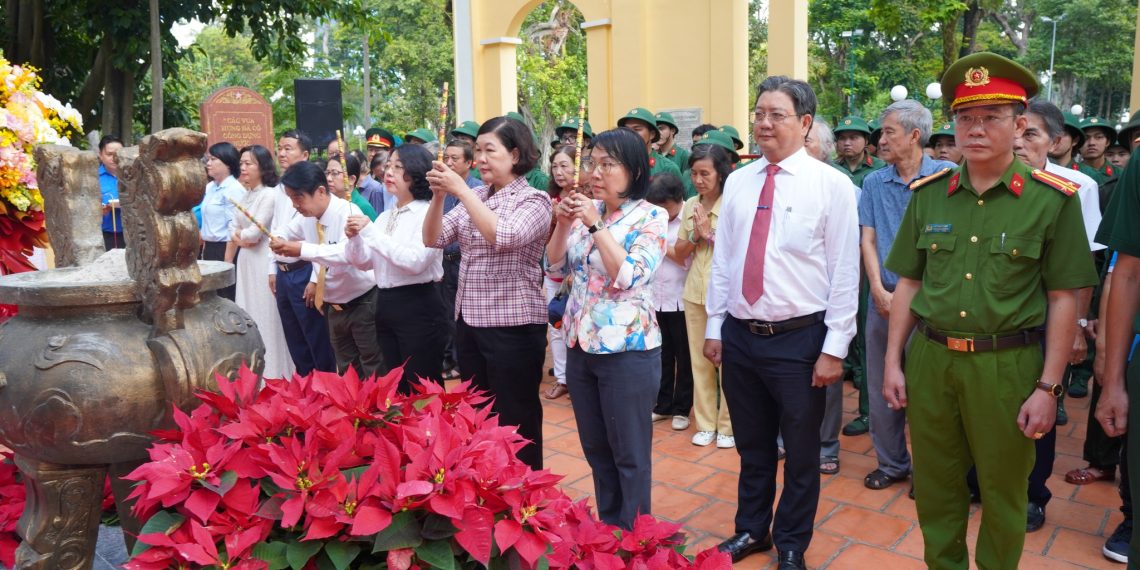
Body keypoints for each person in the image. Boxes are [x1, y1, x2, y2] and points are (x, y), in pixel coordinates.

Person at [882, 52, 1098, 570]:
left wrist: (1049, 387)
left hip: (1007, 367)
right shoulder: (929, 195)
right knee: (934, 487)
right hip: (932, 360)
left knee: (1004, 493)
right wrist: (894, 360)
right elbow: (909, 281)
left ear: (1019, 124)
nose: (975, 129)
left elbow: (1063, 296)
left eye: (992, 117)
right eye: (964, 118)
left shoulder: (1052, 200)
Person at [707, 76, 859, 568]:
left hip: (800, 340)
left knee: (799, 451)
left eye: (777, 114)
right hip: (741, 335)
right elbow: (726, 259)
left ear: (805, 122)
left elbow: (844, 272)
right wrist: (715, 326)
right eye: (759, 113)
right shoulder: (739, 180)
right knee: (752, 447)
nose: (764, 123)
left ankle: (792, 541)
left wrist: (835, 347)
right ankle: (752, 530)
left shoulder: (832, 186)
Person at [545, 127, 667, 529]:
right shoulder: (584, 212)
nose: (595, 172)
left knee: (629, 454)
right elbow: (555, 268)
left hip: (627, 352)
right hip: (581, 345)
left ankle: (635, 539)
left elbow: (629, 275)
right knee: (597, 449)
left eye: (607, 164)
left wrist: (596, 225)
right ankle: (610, 532)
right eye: (592, 163)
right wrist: (563, 224)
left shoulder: (652, 216)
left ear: (633, 170)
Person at [423, 116, 553, 470]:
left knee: (517, 417)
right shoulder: (476, 195)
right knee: (479, 414)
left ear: (514, 154)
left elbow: (504, 236)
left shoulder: (535, 199)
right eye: (476, 150)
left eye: (488, 150)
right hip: (470, 322)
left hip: (513, 326)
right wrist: (437, 198)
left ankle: (526, 492)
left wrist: (461, 191)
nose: (479, 158)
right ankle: (489, 488)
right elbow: (433, 238)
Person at [859, 100, 957, 493]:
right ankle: (892, 462)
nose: (880, 140)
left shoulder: (948, 177)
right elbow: (867, 239)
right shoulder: (873, 183)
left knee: (930, 391)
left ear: (915, 135)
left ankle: (929, 470)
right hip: (882, 298)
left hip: (932, 303)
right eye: (881, 133)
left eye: (888, 132)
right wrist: (879, 290)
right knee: (882, 382)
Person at [345, 144, 445, 391]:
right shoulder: (385, 216)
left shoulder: (428, 213)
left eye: (399, 167)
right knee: (395, 381)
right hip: (386, 303)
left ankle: (431, 429)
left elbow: (414, 262)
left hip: (418, 304)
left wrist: (369, 231)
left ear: (417, 173)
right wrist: (355, 238)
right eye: (388, 165)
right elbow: (364, 262)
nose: (389, 172)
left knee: (422, 383)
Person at [270, 161, 383, 378]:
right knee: (347, 369)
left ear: (320, 191)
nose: (294, 205)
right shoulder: (307, 218)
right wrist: (279, 239)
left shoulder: (347, 212)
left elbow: (345, 254)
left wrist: (300, 249)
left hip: (363, 302)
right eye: (291, 198)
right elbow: (286, 230)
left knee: (373, 365)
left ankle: (382, 412)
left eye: (298, 197)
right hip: (334, 306)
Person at [675, 138, 735, 449]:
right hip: (694, 291)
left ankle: (727, 424)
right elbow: (679, 250)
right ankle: (705, 423)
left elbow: (738, 250)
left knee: (727, 362)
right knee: (700, 361)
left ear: (721, 174)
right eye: (695, 174)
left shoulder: (733, 204)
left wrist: (709, 235)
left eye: (705, 174)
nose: (698, 180)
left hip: (725, 294)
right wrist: (697, 237)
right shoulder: (690, 205)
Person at [269, 130, 336, 376]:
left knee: (317, 341)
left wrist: (314, 279)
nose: (282, 153)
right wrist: (274, 257)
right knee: (296, 340)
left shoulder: (338, 210)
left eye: (289, 148)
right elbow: (283, 228)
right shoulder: (282, 191)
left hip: (307, 273)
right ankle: (306, 399)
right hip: (284, 270)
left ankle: (326, 392)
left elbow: (334, 251)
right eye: (280, 148)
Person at [226, 145, 295, 380]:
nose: (243, 168)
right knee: (248, 309)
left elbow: (254, 235)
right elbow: (232, 229)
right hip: (246, 260)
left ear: (263, 167)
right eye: (242, 163)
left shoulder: (270, 194)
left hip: (262, 261)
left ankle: (274, 373)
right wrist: (240, 236)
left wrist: (241, 236)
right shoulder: (246, 194)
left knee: (266, 312)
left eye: (249, 163)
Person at [806, 118, 852, 475]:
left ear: (824, 149)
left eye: (808, 142)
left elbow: (846, 263)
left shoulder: (842, 187)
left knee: (828, 379)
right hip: (787, 306)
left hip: (825, 303)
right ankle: (782, 439)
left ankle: (826, 445)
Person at [647, 173, 692, 430]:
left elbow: (685, 259)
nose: (662, 212)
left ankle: (682, 409)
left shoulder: (689, 218)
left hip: (681, 297)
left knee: (684, 357)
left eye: (665, 207)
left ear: (678, 199)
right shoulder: (654, 217)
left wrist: (660, 243)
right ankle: (662, 405)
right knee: (662, 355)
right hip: (657, 297)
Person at [438, 138, 483, 380]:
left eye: (455, 158)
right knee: (447, 313)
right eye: (447, 157)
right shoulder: (442, 191)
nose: (449, 162)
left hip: (465, 260)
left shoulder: (476, 190)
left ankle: (461, 361)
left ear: (469, 162)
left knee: (463, 314)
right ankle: (449, 358)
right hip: (444, 260)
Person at [541, 144, 578, 400]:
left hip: (579, 275)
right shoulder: (549, 199)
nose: (559, 171)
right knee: (556, 324)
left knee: (577, 326)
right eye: (555, 166)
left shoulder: (589, 200)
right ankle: (563, 378)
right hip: (554, 272)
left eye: (565, 165)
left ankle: (579, 379)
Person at [200, 141, 245, 301]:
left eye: (213, 159)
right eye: (208, 159)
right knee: (211, 296)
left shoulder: (234, 189)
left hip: (226, 249)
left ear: (227, 163)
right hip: (210, 247)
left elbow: (233, 226)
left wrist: (227, 261)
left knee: (226, 296)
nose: (209, 163)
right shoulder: (210, 187)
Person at [617, 107, 683, 181]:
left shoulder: (668, 169)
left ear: (652, 134)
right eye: (626, 130)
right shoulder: (619, 166)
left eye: (637, 129)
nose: (630, 134)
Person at [833, 116, 886, 188]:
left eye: (853, 138)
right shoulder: (832, 167)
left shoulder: (880, 167)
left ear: (866, 141)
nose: (847, 143)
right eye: (842, 138)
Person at [326, 154, 378, 222]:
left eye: (335, 173)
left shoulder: (363, 206)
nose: (328, 178)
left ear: (351, 179)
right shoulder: (329, 204)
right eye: (327, 173)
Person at [97, 135, 125, 251]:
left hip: (133, 234)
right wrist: (98, 211)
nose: (114, 158)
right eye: (109, 154)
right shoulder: (93, 178)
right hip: (105, 235)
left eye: (118, 153)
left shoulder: (134, 175)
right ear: (100, 155)